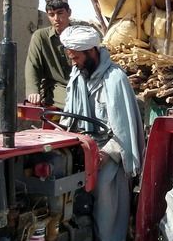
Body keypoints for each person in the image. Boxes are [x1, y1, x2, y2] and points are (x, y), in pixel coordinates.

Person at [59, 25, 144, 241]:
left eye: (76, 57)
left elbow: (124, 133)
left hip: (109, 154)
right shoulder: (77, 76)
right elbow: (69, 118)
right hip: (83, 147)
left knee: (104, 185)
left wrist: (103, 156)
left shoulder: (115, 79)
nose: (74, 62)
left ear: (91, 52)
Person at [24, 0, 74, 108]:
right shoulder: (41, 37)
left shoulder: (79, 36)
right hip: (55, 87)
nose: (56, 18)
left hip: (81, 85)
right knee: (74, 103)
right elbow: (33, 64)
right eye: (51, 15)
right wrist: (32, 90)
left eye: (60, 13)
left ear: (69, 12)